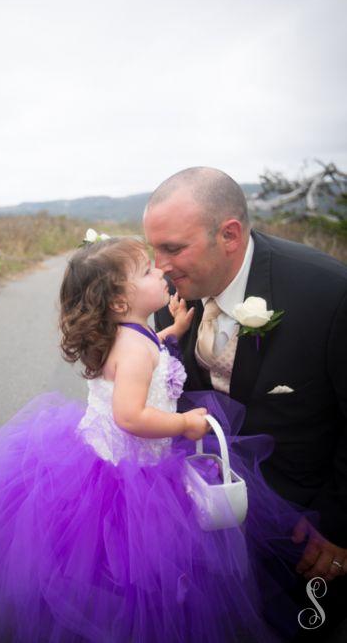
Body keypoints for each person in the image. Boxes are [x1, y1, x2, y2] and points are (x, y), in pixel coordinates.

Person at [0, 235, 319, 643]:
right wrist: (184, 425)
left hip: (109, 458)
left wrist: (173, 332)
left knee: (117, 568)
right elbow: (130, 416)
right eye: (148, 271)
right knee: (135, 567)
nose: (161, 270)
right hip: (132, 473)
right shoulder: (133, 350)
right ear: (118, 301)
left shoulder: (131, 333)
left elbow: (148, 351)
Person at [144, 166, 347, 641]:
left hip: (303, 528)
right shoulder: (166, 291)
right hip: (201, 519)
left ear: (229, 234)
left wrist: (340, 529)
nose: (160, 266)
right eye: (154, 248)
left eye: (173, 248)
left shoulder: (328, 294)